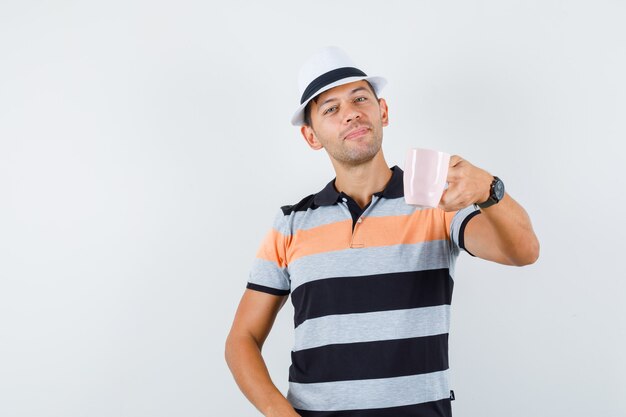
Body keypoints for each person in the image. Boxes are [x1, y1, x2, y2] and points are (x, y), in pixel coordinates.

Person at [225, 46, 539, 417]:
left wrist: (490, 189)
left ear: (382, 111)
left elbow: (524, 251)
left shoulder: (436, 204)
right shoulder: (292, 223)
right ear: (311, 136)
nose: (351, 113)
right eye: (331, 108)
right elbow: (241, 341)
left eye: (360, 98)